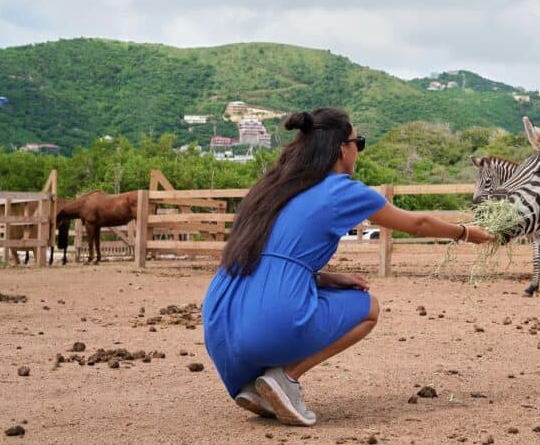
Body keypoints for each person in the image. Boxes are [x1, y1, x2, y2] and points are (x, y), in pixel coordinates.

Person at [202, 108, 492, 426]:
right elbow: (418, 223)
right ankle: (284, 377)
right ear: (343, 147)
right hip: (267, 323)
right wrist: (466, 232)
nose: (359, 150)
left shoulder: (271, 189)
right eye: (360, 142)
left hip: (219, 322)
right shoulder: (342, 190)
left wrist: (326, 278)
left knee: (304, 307)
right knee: (368, 308)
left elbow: (269, 259)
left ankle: (258, 387)